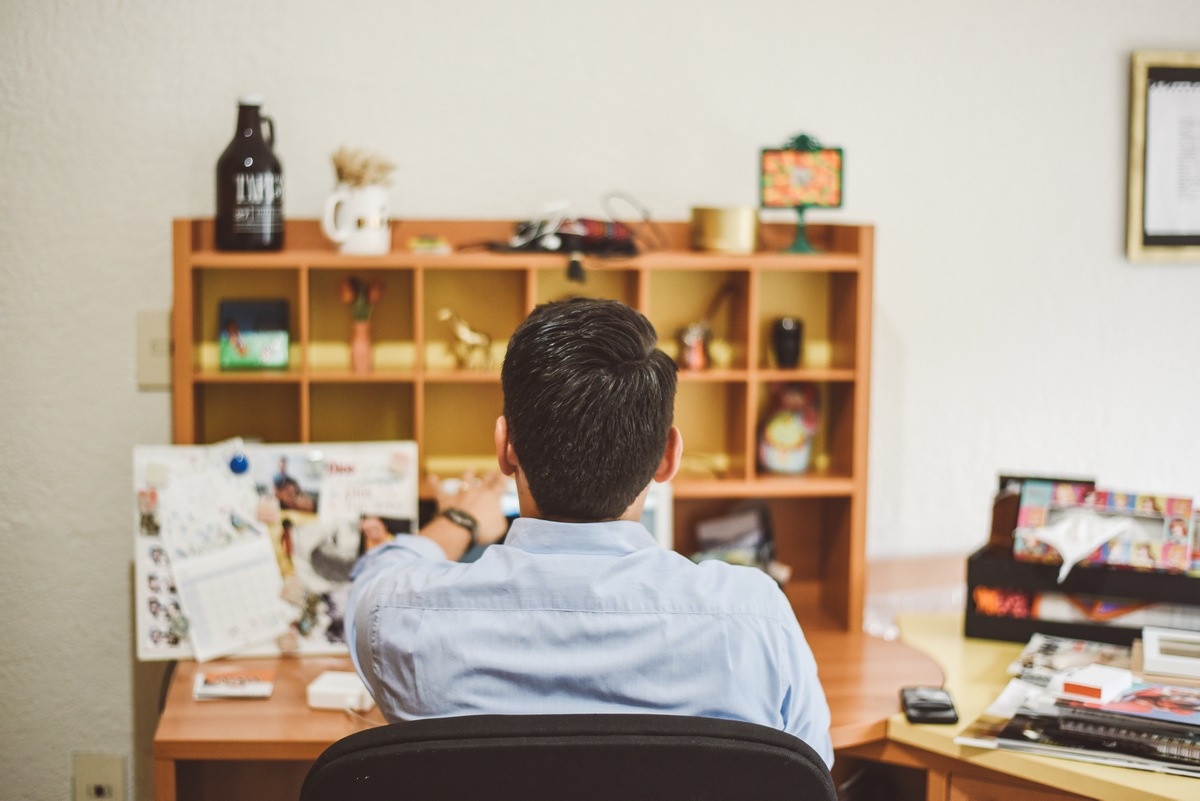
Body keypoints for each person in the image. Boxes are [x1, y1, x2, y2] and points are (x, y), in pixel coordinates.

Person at [347, 297, 833, 766]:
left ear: (505, 446)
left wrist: (459, 519)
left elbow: (378, 573)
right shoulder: (754, 618)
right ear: (669, 456)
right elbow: (810, 771)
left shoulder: (398, 618)